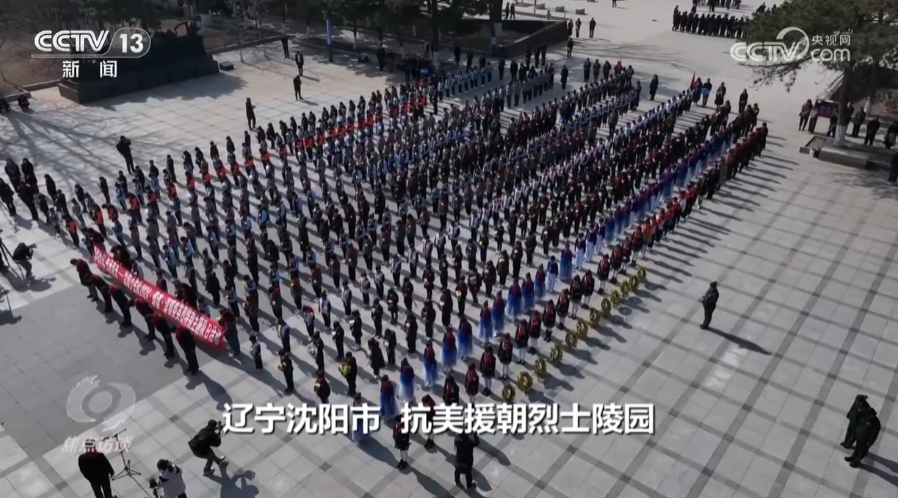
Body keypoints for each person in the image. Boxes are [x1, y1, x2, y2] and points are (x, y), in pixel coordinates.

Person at [847, 402, 880, 467]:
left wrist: (869, 442)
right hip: (860, 437)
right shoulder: (865, 417)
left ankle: (857, 461)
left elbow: (874, 434)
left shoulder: (875, 423)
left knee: (862, 451)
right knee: (857, 448)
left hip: (866, 440)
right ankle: (853, 457)